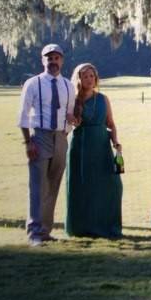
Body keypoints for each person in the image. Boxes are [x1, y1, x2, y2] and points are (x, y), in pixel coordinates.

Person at [18, 44, 77, 246]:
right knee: (37, 185)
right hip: (40, 136)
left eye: (56, 58)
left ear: (62, 60)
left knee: (53, 184)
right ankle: (34, 232)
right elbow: (23, 115)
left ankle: (45, 230)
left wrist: (67, 129)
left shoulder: (68, 85)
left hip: (60, 137)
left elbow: (70, 114)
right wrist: (28, 141)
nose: (53, 61)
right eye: (49, 58)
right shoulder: (33, 83)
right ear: (43, 60)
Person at [65, 63, 122, 238]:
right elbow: (72, 123)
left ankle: (106, 224)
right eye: (85, 76)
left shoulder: (103, 99)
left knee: (111, 185)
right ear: (79, 79)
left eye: (92, 76)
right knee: (83, 185)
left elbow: (110, 123)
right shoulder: (73, 99)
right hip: (81, 145)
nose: (89, 80)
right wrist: (74, 118)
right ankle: (82, 226)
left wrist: (115, 142)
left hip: (101, 145)